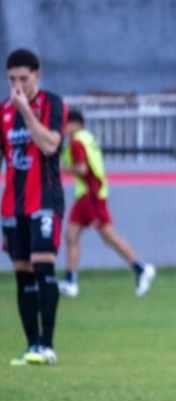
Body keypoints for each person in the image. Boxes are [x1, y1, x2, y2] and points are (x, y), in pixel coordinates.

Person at [2, 49, 67, 366]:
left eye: (23, 79)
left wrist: (26, 111)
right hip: (13, 205)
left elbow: (49, 145)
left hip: (45, 199)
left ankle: (47, 345)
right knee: (22, 274)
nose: (17, 85)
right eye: (11, 79)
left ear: (36, 75)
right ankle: (32, 347)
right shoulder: (3, 112)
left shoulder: (52, 104)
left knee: (43, 265)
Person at [57, 109, 156, 298]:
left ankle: (140, 268)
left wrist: (62, 169)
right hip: (89, 194)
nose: (63, 128)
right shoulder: (87, 138)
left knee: (107, 236)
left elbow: (81, 168)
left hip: (90, 194)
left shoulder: (77, 141)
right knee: (71, 235)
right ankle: (71, 281)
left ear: (75, 123)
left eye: (65, 123)